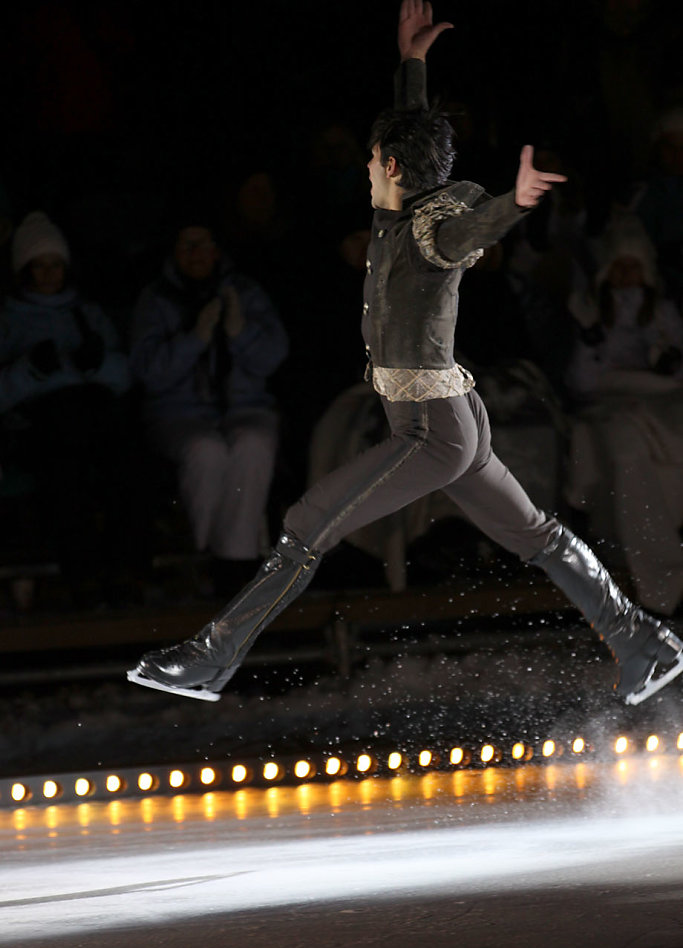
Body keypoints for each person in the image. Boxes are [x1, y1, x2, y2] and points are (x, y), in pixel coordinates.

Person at [129, 0, 683, 707]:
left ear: (389, 167)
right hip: (453, 416)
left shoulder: (431, 227)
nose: (365, 169)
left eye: (371, 160)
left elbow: (464, 236)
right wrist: (412, 64)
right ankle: (641, 641)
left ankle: (211, 658)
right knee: (535, 536)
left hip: (431, 427)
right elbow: (411, 137)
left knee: (307, 522)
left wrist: (510, 204)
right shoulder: (397, 207)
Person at [130, 216, 289, 596]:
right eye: (187, 245)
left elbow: (273, 357)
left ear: (217, 249)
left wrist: (239, 331)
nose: (196, 254)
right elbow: (147, 371)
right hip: (179, 412)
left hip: (244, 407)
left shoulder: (245, 292)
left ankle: (235, 564)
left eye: (203, 244)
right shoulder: (156, 298)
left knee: (253, 444)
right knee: (206, 452)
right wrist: (194, 338)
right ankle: (202, 554)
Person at [0, 210, 138, 607]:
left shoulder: (86, 314)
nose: (47, 274)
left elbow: (125, 374)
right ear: (24, 270)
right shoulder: (9, 319)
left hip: (93, 414)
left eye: (54, 264)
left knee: (125, 465)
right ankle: (83, 577)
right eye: (38, 265)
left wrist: (98, 364)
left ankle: (125, 571)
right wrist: (28, 371)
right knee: (65, 471)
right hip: (37, 424)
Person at [565, 215, 683, 616]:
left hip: (661, 400)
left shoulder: (662, 313)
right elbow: (582, 381)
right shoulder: (591, 312)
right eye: (619, 266)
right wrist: (592, 345)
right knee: (624, 444)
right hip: (611, 401)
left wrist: (668, 363)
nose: (627, 275)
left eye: (633, 266)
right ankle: (658, 570)